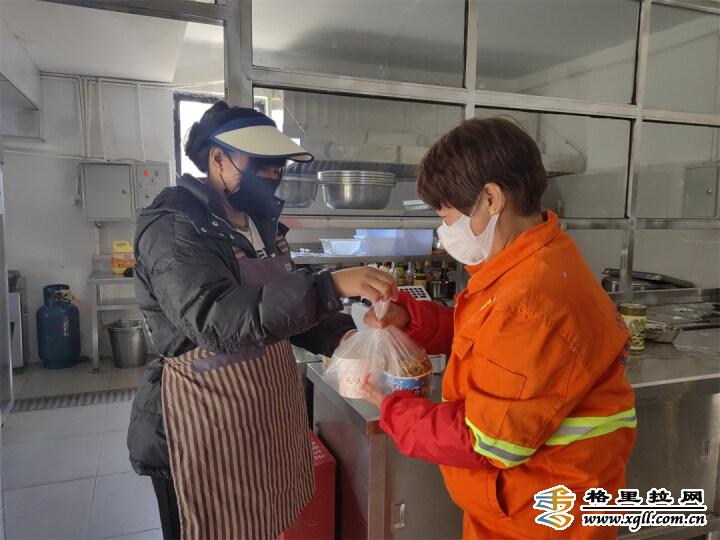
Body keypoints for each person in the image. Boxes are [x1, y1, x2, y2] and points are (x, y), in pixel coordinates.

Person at [127, 101, 396, 540]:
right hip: (201, 421)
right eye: (260, 161)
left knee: (261, 523)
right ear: (217, 158)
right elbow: (214, 318)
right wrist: (327, 287)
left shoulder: (261, 224)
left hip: (259, 415)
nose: (272, 172)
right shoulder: (175, 226)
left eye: (278, 163)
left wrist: (345, 336)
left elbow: (283, 309)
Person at [363, 117, 636, 539]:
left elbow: (486, 439)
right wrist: (412, 320)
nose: (445, 231)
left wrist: (394, 408)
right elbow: (491, 339)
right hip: (514, 502)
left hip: (538, 516)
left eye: (447, 215)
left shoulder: (530, 299)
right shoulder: (532, 261)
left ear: (490, 198)